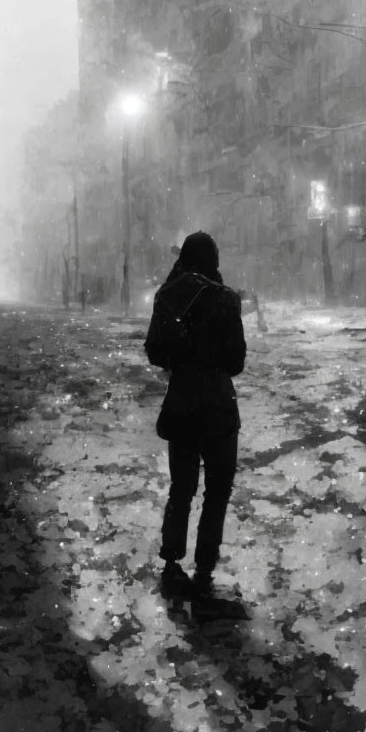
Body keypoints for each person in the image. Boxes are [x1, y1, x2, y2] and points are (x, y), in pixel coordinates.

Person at [144, 231, 247, 601]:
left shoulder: (167, 297)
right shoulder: (225, 300)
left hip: (183, 404)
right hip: (218, 408)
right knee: (217, 491)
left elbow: (154, 351)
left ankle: (172, 564)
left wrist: (182, 358)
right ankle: (204, 569)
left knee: (181, 489)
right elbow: (236, 361)